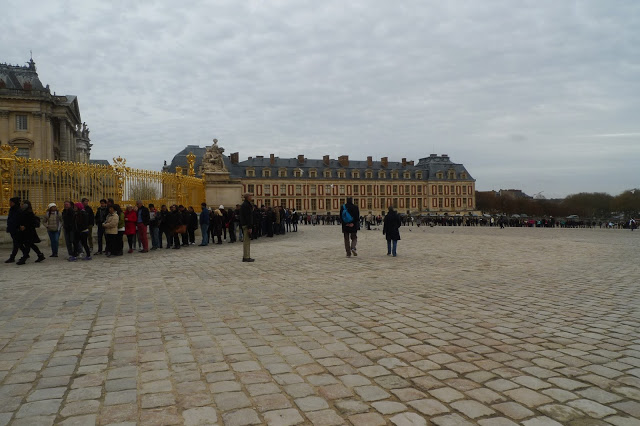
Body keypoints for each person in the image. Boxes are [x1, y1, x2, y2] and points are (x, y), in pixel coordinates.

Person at [15, 200, 46, 265]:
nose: (21, 205)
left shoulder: (29, 212)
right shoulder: (22, 211)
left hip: (29, 231)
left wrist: (25, 226)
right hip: (25, 231)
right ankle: (40, 255)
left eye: (22, 204)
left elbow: (30, 222)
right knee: (31, 244)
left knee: (28, 245)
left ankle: (24, 258)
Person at [4, 197, 21, 263]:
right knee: (19, 243)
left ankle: (12, 257)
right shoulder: (12, 209)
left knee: (16, 243)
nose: (9, 203)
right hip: (12, 228)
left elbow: (18, 220)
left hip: (16, 229)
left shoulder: (18, 210)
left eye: (11, 202)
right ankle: (26, 254)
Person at [239, 193, 254, 262]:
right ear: (247, 197)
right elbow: (248, 217)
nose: (251, 197)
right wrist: (250, 227)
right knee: (247, 241)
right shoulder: (247, 205)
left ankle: (246, 256)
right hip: (246, 225)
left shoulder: (244, 205)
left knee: (246, 241)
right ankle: (246, 257)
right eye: (250, 196)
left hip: (244, 224)